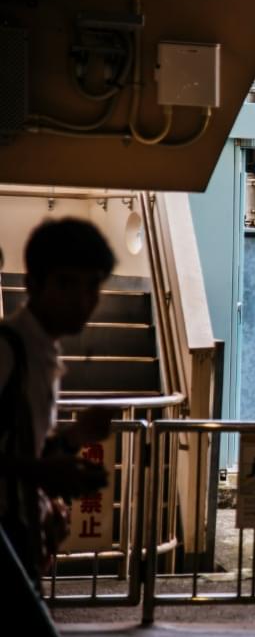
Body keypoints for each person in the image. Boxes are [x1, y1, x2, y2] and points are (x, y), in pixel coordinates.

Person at [0, 218, 117, 588]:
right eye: (66, 284)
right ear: (33, 284)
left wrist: (73, 436)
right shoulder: (8, 350)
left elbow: (19, 451)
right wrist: (42, 475)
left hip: (20, 538)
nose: (82, 300)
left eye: (92, 285)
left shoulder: (39, 352)